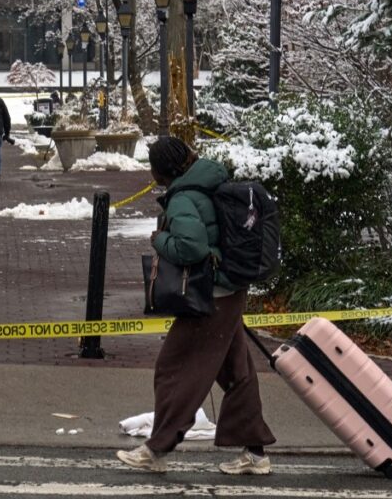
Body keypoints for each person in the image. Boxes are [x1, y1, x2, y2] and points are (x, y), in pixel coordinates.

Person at [116, 136, 276, 475]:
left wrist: (159, 239)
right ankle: (255, 454)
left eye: (152, 167)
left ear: (163, 170)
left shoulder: (184, 198)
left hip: (211, 295)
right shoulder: (210, 180)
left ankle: (156, 448)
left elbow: (191, 247)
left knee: (175, 369)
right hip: (230, 288)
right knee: (237, 372)